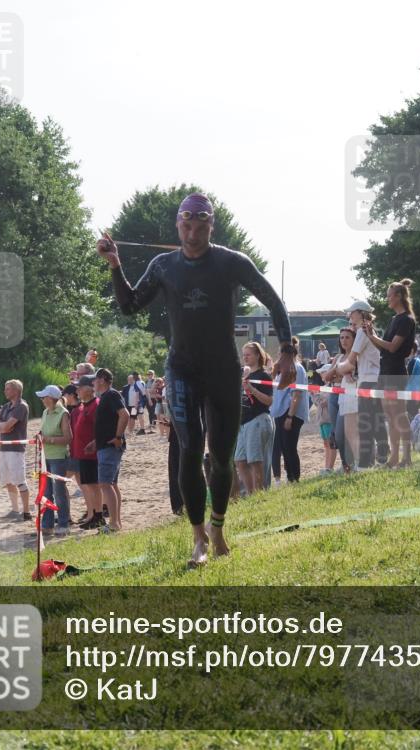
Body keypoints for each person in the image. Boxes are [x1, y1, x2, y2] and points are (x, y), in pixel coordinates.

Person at [99, 191, 295, 566]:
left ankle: (218, 527)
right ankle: (198, 537)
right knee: (188, 452)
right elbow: (129, 307)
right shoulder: (163, 265)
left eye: (200, 225)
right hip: (182, 369)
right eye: (186, 225)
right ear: (178, 225)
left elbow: (274, 301)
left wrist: (287, 349)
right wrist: (114, 265)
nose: (192, 233)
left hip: (222, 369)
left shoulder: (231, 262)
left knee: (221, 458)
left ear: (211, 225)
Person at [363, 279, 417, 468]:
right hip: (385, 372)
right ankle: (394, 458)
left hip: (396, 372)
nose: (387, 299)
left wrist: (373, 336)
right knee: (390, 416)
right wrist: (371, 335)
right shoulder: (395, 319)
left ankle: (407, 458)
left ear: (399, 296)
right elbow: (384, 349)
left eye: (389, 295)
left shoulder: (406, 320)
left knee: (399, 415)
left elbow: (393, 347)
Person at [347, 300, 390, 468]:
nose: (350, 315)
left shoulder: (362, 331)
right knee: (376, 421)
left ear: (360, 313)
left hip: (368, 382)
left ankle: (365, 464)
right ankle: (382, 456)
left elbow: (350, 360)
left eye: (352, 312)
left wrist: (335, 370)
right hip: (373, 380)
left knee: (366, 423)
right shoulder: (368, 330)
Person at [235, 341, 274, 495]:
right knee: (240, 460)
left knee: (255, 460)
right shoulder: (246, 375)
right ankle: (252, 493)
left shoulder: (263, 375)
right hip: (244, 422)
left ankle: (258, 494)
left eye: (248, 354)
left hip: (257, 419)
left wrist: (251, 389)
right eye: (243, 355)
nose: (245, 357)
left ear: (258, 355)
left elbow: (269, 401)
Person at [91, 369, 128, 532]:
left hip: (110, 446)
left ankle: (113, 524)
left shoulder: (112, 395)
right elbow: (107, 423)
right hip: (105, 445)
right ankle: (116, 522)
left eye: (95, 380)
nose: (93, 383)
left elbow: (124, 415)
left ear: (103, 380)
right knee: (111, 484)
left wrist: (118, 437)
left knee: (105, 484)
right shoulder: (106, 396)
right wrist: (95, 441)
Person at [271, 338, 310, 484]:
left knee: (289, 447)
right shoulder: (283, 369)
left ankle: (294, 477)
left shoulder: (297, 368)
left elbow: (297, 394)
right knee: (284, 447)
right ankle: (290, 477)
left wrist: (290, 416)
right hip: (280, 412)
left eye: (280, 351)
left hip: (290, 413)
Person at [36, 385, 72, 536]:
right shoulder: (45, 412)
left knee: (59, 492)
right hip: (46, 457)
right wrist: (39, 436)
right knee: (46, 492)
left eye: (44, 397)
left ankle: (63, 523)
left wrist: (47, 439)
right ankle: (47, 525)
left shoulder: (63, 413)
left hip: (58, 456)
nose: (42, 399)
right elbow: (44, 432)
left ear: (51, 398)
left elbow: (68, 438)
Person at [324, 327, 359, 472]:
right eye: (342, 337)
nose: (344, 340)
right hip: (334, 395)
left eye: (347, 337)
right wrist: (339, 370)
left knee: (343, 431)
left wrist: (338, 372)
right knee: (337, 434)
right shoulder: (338, 357)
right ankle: (346, 465)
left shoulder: (357, 356)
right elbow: (326, 377)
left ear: (354, 339)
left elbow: (349, 374)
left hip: (349, 395)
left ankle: (353, 463)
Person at [0, 379, 30, 521]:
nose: (5, 391)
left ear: (16, 391)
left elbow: (5, 426)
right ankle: (15, 509)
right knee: (8, 480)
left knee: (20, 480)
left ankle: (26, 511)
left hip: (16, 448)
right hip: (4, 447)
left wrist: (1, 425)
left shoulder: (21, 406)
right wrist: (1, 425)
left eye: (8, 389)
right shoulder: (6, 406)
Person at [70, 376, 102, 529]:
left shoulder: (96, 405)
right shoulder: (84, 406)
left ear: (90, 388)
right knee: (89, 485)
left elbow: (99, 430)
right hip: (82, 453)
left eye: (80, 388)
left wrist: (94, 444)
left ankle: (98, 516)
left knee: (94, 486)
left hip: (91, 454)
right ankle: (94, 515)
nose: (77, 391)